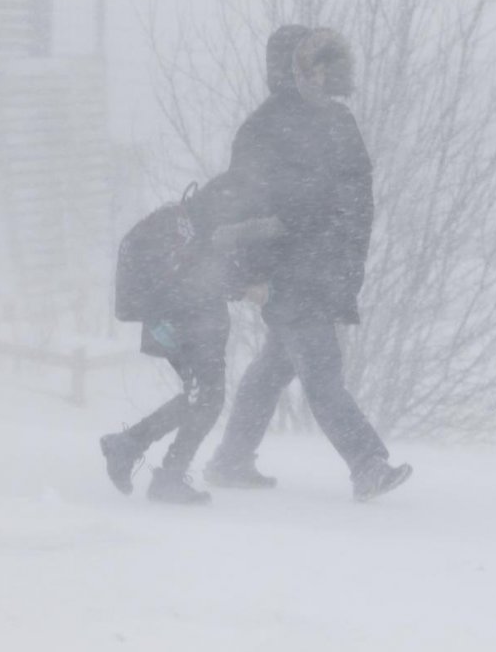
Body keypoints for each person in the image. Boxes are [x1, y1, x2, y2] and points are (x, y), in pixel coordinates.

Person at [203, 25, 412, 502]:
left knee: (273, 367)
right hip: (289, 274)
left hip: (328, 269)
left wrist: (345, 263)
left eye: (329, 64)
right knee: (322, 372)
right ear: (292, 69)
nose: (325, 73)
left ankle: (231, 460)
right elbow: (242, 208)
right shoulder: (263, 129)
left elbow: (357, 198)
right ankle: (367, 463)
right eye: (315, 64)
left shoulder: (338, 121)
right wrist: (248, 276)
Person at [99, 179, 274, 505]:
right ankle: (164, 474)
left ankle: (130, 447)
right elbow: (196, 278)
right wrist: (245, 287)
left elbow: (200, 272)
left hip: (184, 321)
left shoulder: (188, 223)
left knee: (203, 398)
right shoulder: (191, 231)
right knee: (206, 399)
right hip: (184, 323)